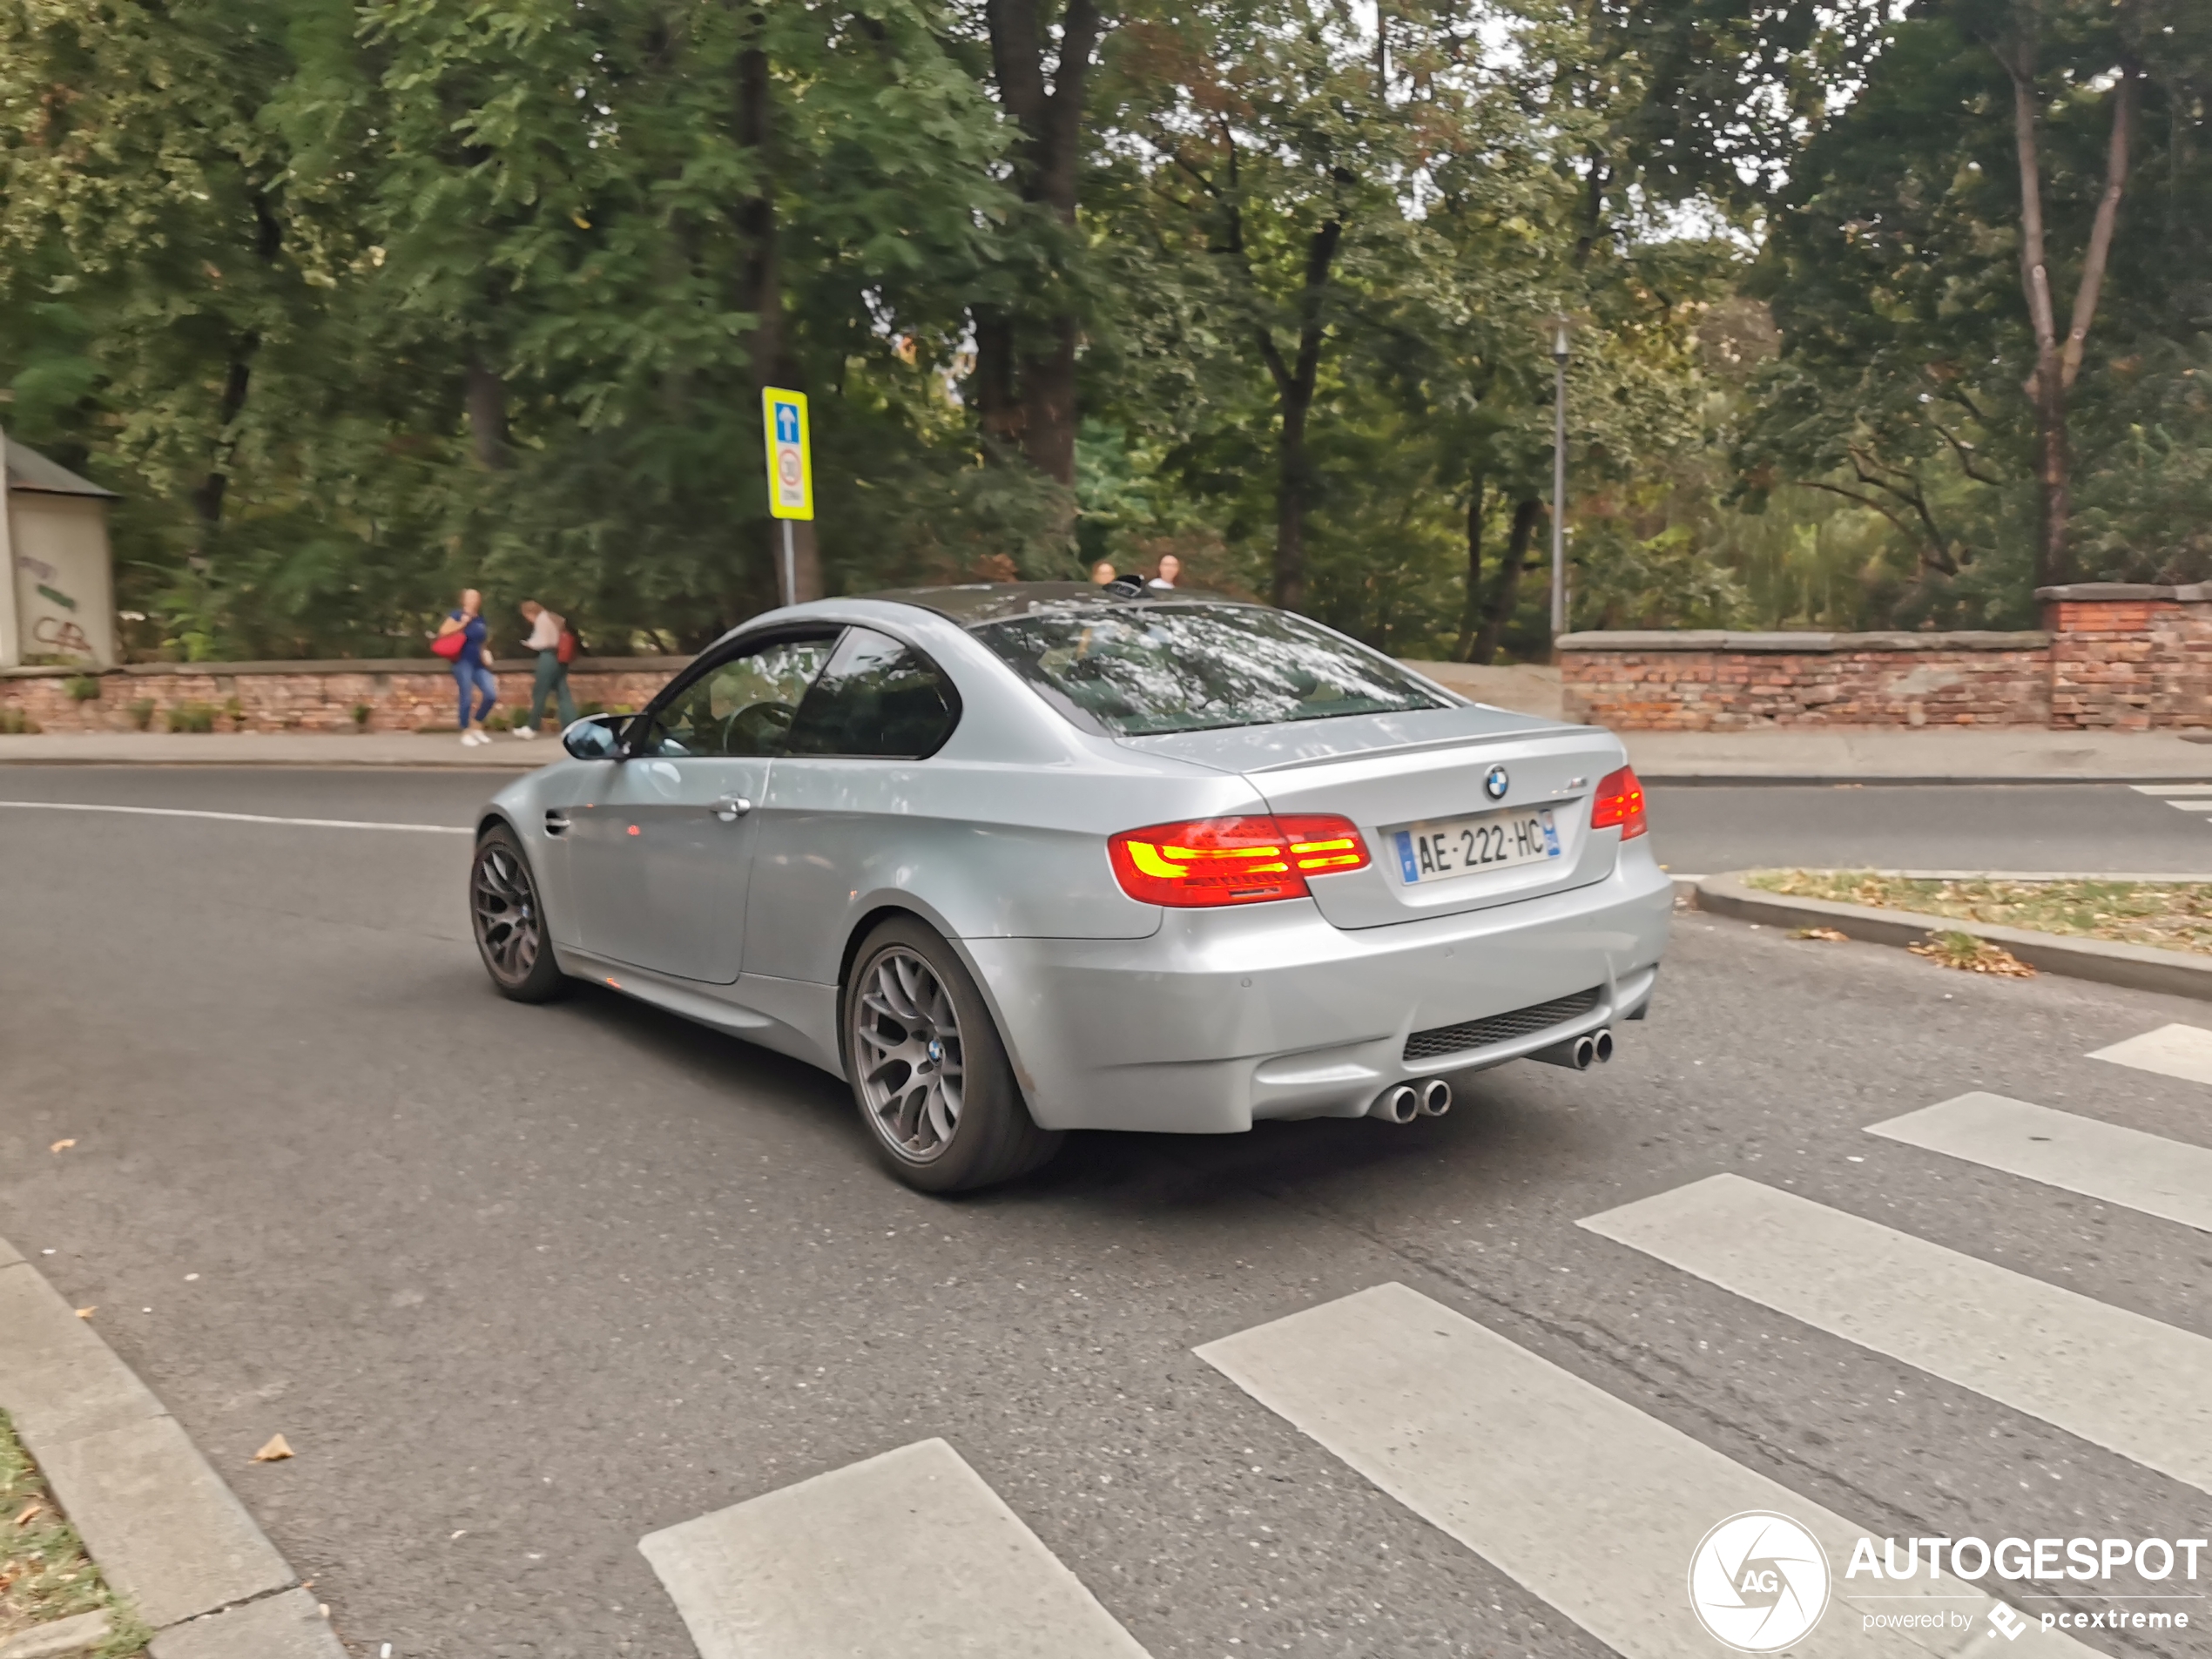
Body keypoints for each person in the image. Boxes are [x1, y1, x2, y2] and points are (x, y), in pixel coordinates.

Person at [436, 589, 497, 746]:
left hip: (478, 662)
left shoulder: (481, 619)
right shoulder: (457, 615)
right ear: (463, 600)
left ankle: (477, 726)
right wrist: (463, 623)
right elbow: (443, 632)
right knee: (467, 696)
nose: (474, 600)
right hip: (462, 661)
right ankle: (465, 731)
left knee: (490, 695)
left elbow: (482, 640)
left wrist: (485, 653)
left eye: (476, 597)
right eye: (470, 597)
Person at [515, 599, 576, 738]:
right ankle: (571, 726)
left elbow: (545, 641)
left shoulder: (542, 620)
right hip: (561, 657)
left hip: (548, 657)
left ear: (530, 613)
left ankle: (531, 727)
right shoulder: (553, 617)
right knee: (563, 693)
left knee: (540, 692)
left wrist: (529, 644)